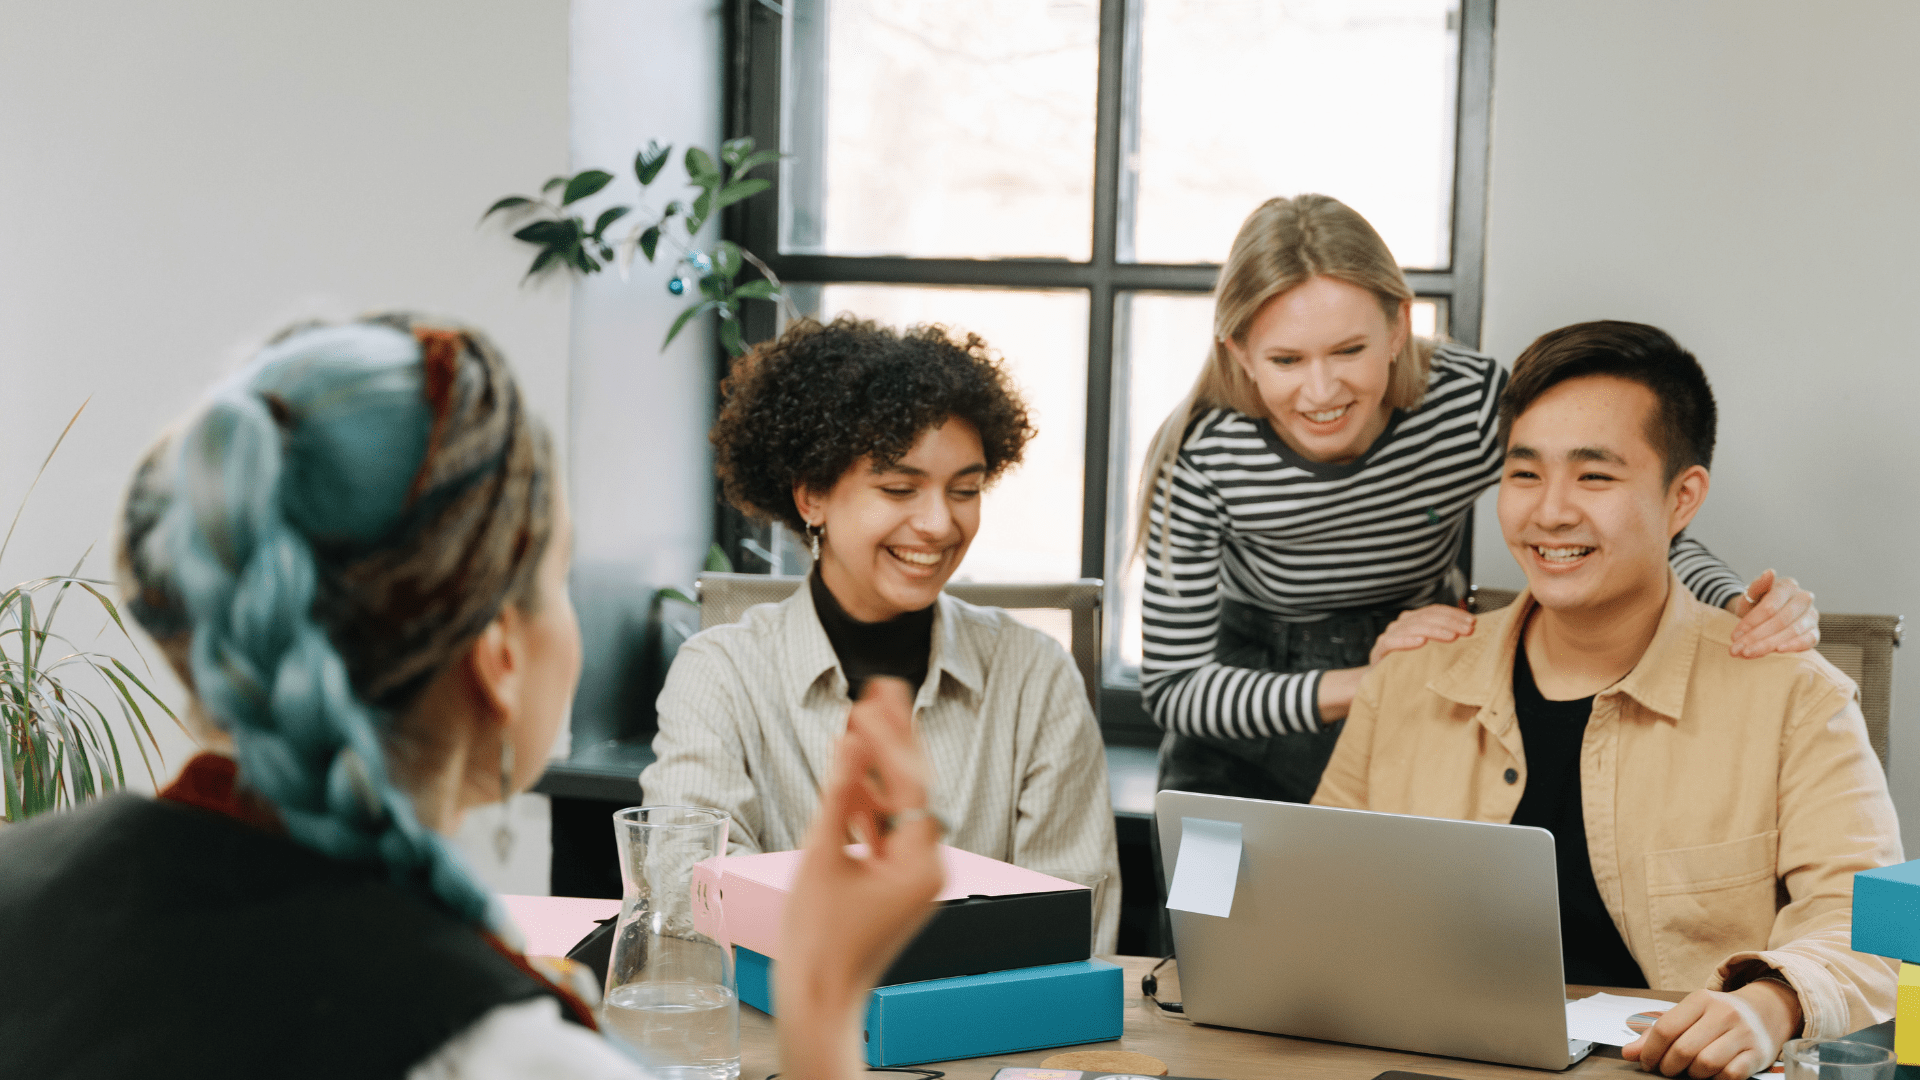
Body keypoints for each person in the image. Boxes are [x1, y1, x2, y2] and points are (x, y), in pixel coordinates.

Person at [0, 315, 945, 1080]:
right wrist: (823, 1005)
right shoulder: (498, 1052)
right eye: (558, 580)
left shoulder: (22, 884)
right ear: (498, 655)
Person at [1312, 321, 1901, 1080]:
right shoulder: (1406, 681)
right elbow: (1315, 901)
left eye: (1594, 477)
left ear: (1683, 497)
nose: (1550, 512)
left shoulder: (1795, 696)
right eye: (1524, 475)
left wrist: (1771, 1001)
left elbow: (1868, 929)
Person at [1135, 194, 1822, 806]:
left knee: (1393, 935)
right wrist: (1368, 680)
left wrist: (1739, 603)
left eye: (1349, 350)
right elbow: (1177, 690)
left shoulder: (1466, 404)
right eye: (1287, 361)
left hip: (1418, 686)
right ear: (1240, 352)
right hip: (1249, 723)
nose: (1321, 392)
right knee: (1215, 941)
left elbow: (1629, 526)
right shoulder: (1198, 455)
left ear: (1399, 326)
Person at [642, 315, 1124, 953]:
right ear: (812, 494)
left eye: (966, 489)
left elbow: (1072, 921)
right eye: (899, 488)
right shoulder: (721, 673)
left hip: (987, 1041)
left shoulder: (1036, 677)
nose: (938, 523)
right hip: (779, 1039)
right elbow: (688, 891)